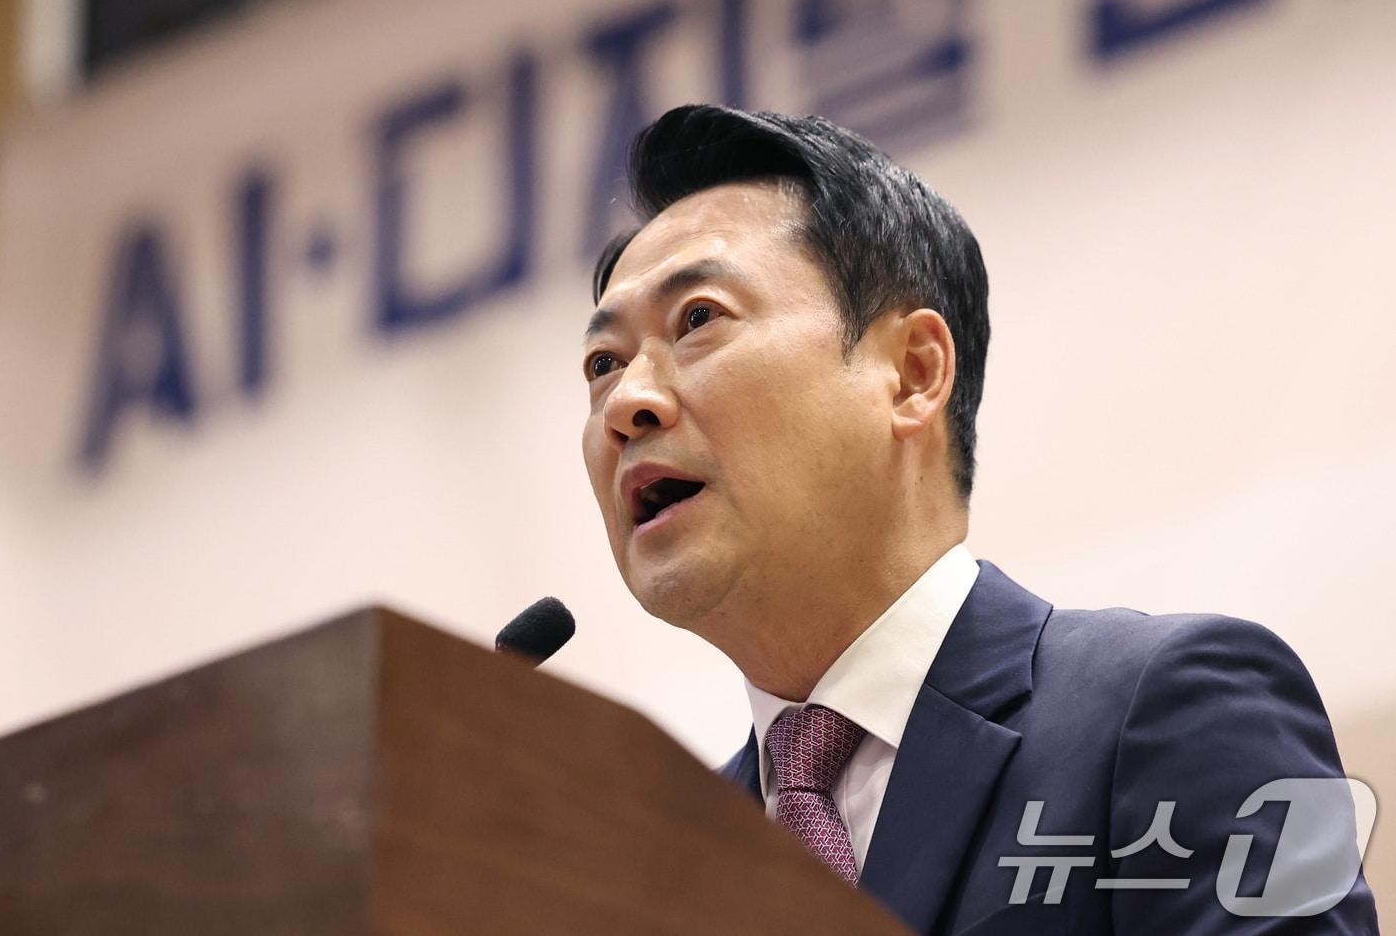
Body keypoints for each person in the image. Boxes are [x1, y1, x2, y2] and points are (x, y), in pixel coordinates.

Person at [579, 104, 1378, 934]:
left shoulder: (1185, 702)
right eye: (603, 364)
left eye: (698, 319)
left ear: (914, 372)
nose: (627, 401)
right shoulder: (669, 863)